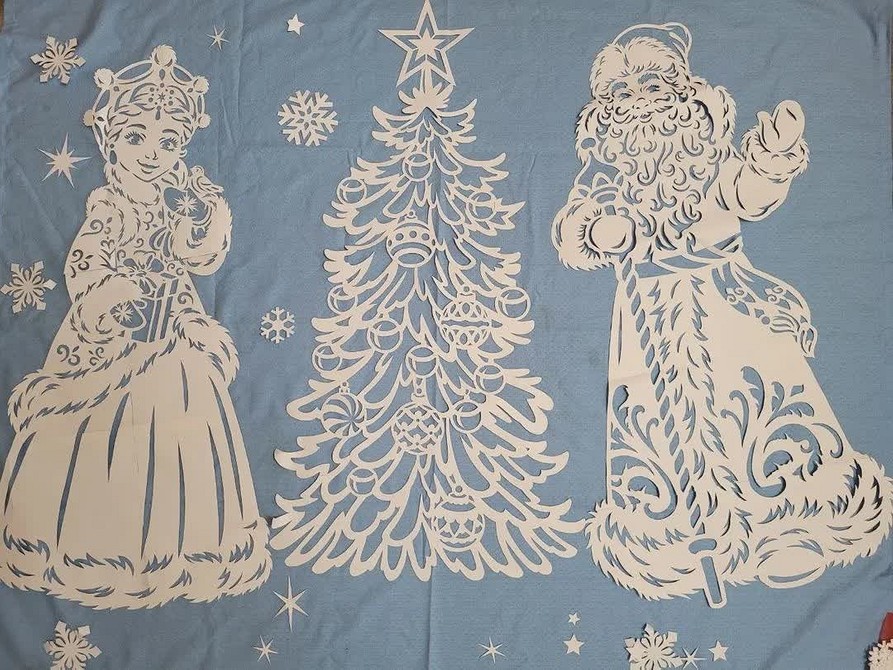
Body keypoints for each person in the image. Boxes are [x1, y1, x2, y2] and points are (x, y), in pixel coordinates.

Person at [0, 45, 270, 609]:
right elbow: (85, 262)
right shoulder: (110, 203)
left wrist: (204, 217)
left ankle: (182, 553)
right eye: (136, 137)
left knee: (182, 429)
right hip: (114, 334)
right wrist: (111, 296)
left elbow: (197, 258)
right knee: (100, 435)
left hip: (175, 329)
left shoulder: (173, 203)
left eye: (167, 142)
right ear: (111, 141)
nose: (151, 153)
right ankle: (97, 554)